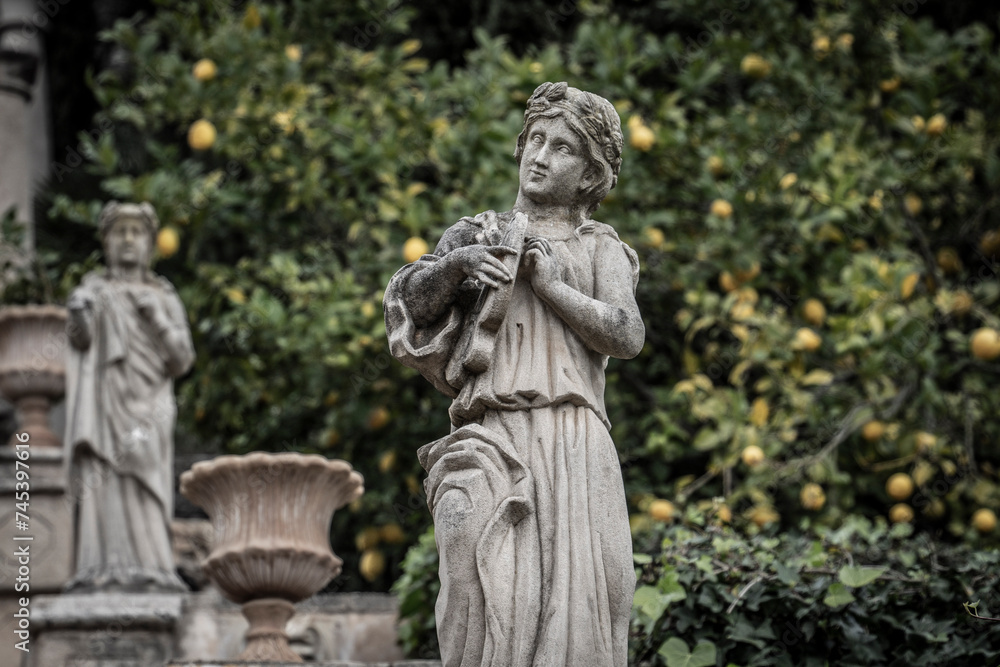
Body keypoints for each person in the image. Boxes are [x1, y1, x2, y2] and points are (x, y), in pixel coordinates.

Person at [385, 82, 643, 667]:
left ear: (588, 175)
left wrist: (551, 288)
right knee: (471, 556)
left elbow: (627, 334)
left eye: (561, 147)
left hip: (574, 438)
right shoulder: (477, 233)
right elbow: (413, 307)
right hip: (491, 433)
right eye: (535, 139)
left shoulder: (598, 248)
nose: (540, 155)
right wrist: (455, 267)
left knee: (585, 598)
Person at [64, 201, 194, 591]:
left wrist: (155, 316)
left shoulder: (164, 296)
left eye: (136, 233)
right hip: (106, 402)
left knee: (147, 479)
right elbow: (80, 340)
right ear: (105, 242)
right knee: (104, 475)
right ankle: (101, 568)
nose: (127, 241)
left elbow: (182, 360)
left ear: (151, 245)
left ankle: (152, 566)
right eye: (119, 232)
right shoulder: (94, 290)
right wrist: (80, 315)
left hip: (149, 403)